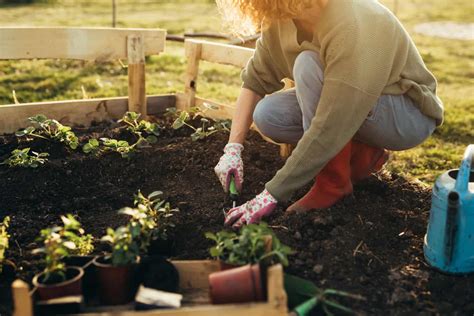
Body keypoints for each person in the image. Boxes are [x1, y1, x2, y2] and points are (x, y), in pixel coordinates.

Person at [214, 0, 444, 228]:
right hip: (352, 104)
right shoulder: (281, 21)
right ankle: (362, 153)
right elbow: (254, 82)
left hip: (405, 114)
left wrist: (271, 194)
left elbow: (331, 123)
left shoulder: (353, 21)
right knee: (268, 114)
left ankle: (333, 184)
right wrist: (233, 149)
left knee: (307, 65)